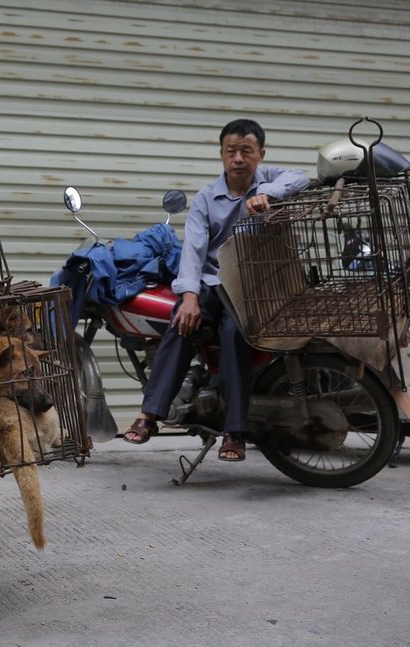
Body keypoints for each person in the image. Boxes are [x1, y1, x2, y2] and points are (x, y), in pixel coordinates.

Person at [123, 119, 309, 461]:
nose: (238, 158)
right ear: (222, 155)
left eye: (246, 151)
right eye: (231, 151)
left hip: (252, 288)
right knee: (182, 322)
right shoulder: (206, 198)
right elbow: (193, 251)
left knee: (233, 335)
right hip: (212, 283)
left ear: (260, 155)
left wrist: (267, 194)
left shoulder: (268, 181)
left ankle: (234, 432)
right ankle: (150, 414)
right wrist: (190, 297)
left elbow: (301, 177)